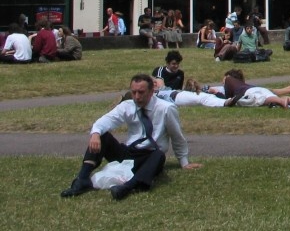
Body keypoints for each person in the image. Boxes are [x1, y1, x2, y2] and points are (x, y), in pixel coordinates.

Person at [60, 73, 201, 200]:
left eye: (141, 92)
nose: (137, 97)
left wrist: (184, 162)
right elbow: (106, 120)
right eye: (133, 92)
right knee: (102, 135)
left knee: (159, 155)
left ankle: (127, 187)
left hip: (149, 156)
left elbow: (177, 136)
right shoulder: (127, 106)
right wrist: (96, 133)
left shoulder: (166, 109)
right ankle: (82, 179)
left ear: (152, 92)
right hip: (128, 153)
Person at [219, 69, 290, 108]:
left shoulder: (229, 81)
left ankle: (283, 101)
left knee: (265, 99)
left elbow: (227, 97)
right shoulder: (245, 85)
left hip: (250, 93)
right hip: (258, 89)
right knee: (270, 95)